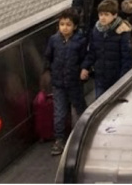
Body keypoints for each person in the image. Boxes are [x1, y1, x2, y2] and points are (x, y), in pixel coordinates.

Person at [43, 8, 88, 156]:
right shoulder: (54, 40)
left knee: (79, 110)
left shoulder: (80, 41)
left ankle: (82, 136)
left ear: (75, 26)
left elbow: (84, 58)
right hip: (58, 84)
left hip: (75, 82)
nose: (64, 27)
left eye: (68, 24)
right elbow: (48, 57)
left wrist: (85, 69)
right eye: (62, 24)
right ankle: (60, 139)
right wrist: (48, 71)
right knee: (60, 112)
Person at [80, 0, 132, 99]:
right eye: (101, 14)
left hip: (116, 78)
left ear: (115, 15)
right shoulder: (96, 30)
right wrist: (85, 67)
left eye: (106, 14)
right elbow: (92, 52)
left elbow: (127, 58)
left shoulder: (122, 32)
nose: (102, 18)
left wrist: (123, 79)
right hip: (100, 76)